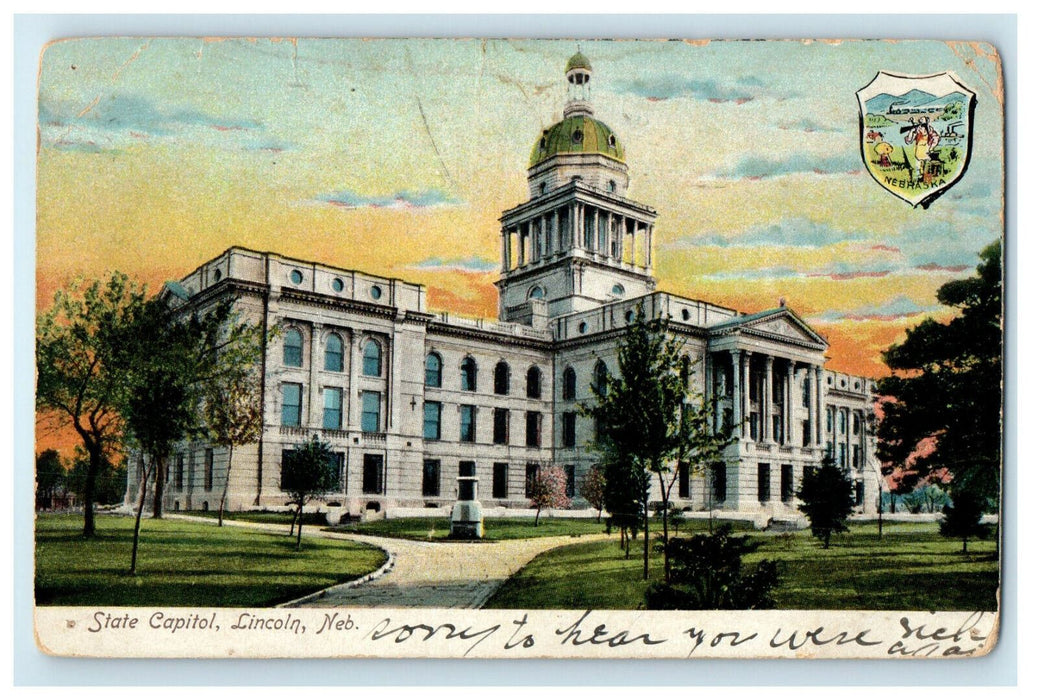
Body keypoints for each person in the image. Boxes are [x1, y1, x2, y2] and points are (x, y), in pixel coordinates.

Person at [904, 116, 940, 180]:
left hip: (927, 148)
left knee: (927, 164)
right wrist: (912, 131)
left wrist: (931, 147)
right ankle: (918, 176)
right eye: (921, 120)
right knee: (918, 164)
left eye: (923, 120)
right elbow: (909, 140)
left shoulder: (930, 129)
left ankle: (926, 177)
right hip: (919, 149)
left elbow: (935, 138)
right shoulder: (917, 129)